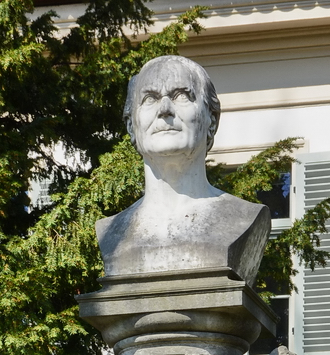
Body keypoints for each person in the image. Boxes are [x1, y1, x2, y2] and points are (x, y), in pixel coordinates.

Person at [96, 55, 270, 285]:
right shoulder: (111, 233)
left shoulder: (244, 220)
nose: (165, 109)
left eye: (181, 96)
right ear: (131, 125)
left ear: (212, 120)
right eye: (150, 98)